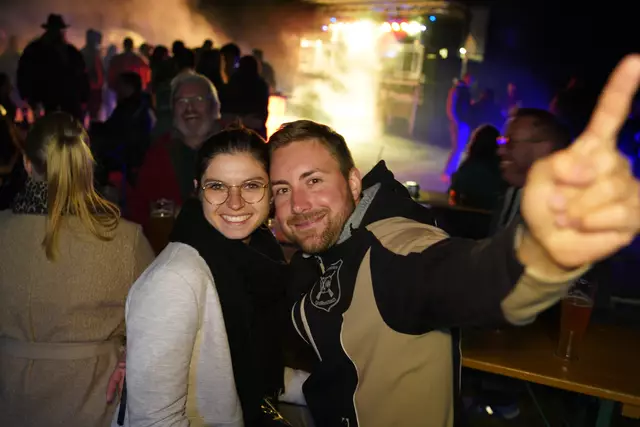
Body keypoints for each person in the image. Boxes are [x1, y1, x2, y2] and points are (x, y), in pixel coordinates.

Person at [266, 54, 640, 426]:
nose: (298, 204)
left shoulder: (394, 252)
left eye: (314, 180)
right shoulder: (320, 254)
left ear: (352, 183)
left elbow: (473, 278)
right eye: (283, 189)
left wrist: (544, 248)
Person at [113, 127, 290, 426]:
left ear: (271, 191)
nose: (235, 202)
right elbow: (154, 421)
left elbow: (246, 366)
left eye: (251, 185)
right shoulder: (175, 280)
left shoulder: (258, 257)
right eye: (217, 186)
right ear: (198, 189)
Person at [0, 112, 154, 427]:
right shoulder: (124, 239)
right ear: (86, 164)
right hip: (95, 399)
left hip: (11, 397)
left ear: (27, 164)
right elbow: (157, 321)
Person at [127, 71, 224, 234]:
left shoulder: (236, 149)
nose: (190, 108)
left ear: (215, 107)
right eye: (181, 101)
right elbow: (139, 213)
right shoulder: (158, 155)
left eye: (198, 100)